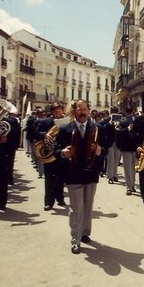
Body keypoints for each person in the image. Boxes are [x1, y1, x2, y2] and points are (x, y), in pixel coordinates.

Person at [54, 99, 109, 254]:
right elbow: (56, 151)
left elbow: (105, 150)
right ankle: (75, 240)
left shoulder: (97, 128)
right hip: (73, 175)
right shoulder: (65, 129)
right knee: (76, 209)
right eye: (80, 109)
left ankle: (85, 233)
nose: (83, 112)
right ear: (74, 111)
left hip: (91, 175)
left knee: (88, 207)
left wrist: (99, 150)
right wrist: (63, 153)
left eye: (85, 109)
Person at [34, 102, 68, 211]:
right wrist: (45, 134)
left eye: (59, 111)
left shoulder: (66, 122)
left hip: (61, 153)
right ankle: (48, 202)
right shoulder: (45, 121)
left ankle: (60, 199)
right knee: (49, 179)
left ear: (62, 111)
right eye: (55, 111)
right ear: (52, 112)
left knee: (61, 178)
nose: (58, 113)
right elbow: (34, 133)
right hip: (48, 153)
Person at [116, 107, 138, 196]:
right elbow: (119, 133)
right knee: (128, 169)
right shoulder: (122, 122)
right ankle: (128, 187)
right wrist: (128, 129)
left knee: (133, 169)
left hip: (135, 148)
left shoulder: (137, 121)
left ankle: (132, 185)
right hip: (126, 148)